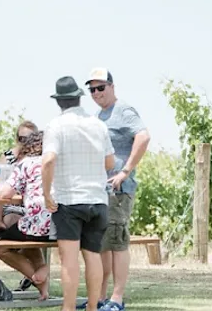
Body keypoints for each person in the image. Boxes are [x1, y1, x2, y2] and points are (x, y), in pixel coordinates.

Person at [41, 77, 115, 311]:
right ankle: (93, 307)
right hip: (98, 200)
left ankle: (69, 308)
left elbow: (49, 160)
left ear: (59, 101)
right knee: (92, 255)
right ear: (79, 97)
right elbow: (110, 161)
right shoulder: (98, 125)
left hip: (69, 200)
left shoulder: (57, 125)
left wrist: (46, 194)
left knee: (69, 260)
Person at [85, 69, 151, 311]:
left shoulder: (123, 110)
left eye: (100, 87)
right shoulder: (99, 116)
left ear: (112, 86)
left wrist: (125, 172)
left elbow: (143, 137)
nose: (96, 93)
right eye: (91, 89)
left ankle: (117, 299)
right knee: (103, 243)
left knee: (118, 242)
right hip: (101, 190)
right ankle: (100, 298)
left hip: (118, 189)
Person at [0, 132, 52, 300]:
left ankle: (37, 277)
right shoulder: (60, 163)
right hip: (63, 225)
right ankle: (43, 289)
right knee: (30, 243)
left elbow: (5, 193)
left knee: (1, 248)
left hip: (38, 221)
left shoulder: (27, 163)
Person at [0, 121, 39, 233]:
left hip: (30, 207)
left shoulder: (39, 159)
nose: (26, 143)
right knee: (13, 220)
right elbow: (0, 189)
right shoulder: (8, 157)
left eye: (30, 139)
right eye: (22, 139)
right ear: (17, 139)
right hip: (4, 206)